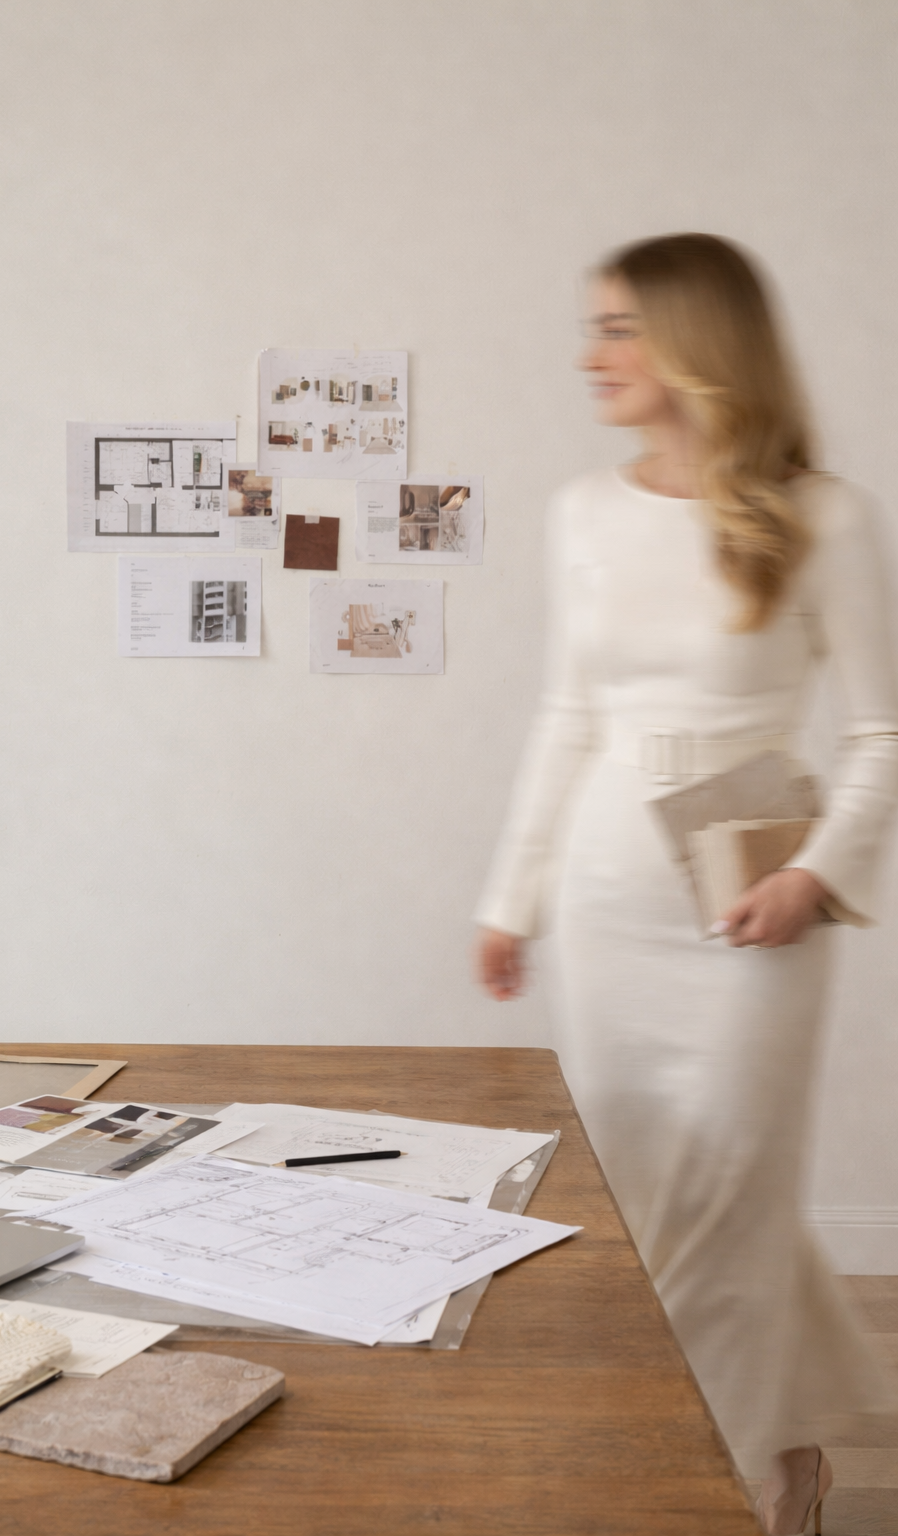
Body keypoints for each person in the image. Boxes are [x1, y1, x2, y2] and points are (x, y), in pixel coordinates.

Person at [474, 233, 898, 1536]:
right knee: (654, 1199)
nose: (590, 354)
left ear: (697, 341)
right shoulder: (581, 513)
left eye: (619, 328)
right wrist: (513, 896)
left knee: (729, 1188)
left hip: (754, 894)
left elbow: (884, 733)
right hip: (610, 898)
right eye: (591, 326)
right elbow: (566, 716)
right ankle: (798, 1430)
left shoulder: (822, 514)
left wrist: (818, 878)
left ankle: (746, 1482)